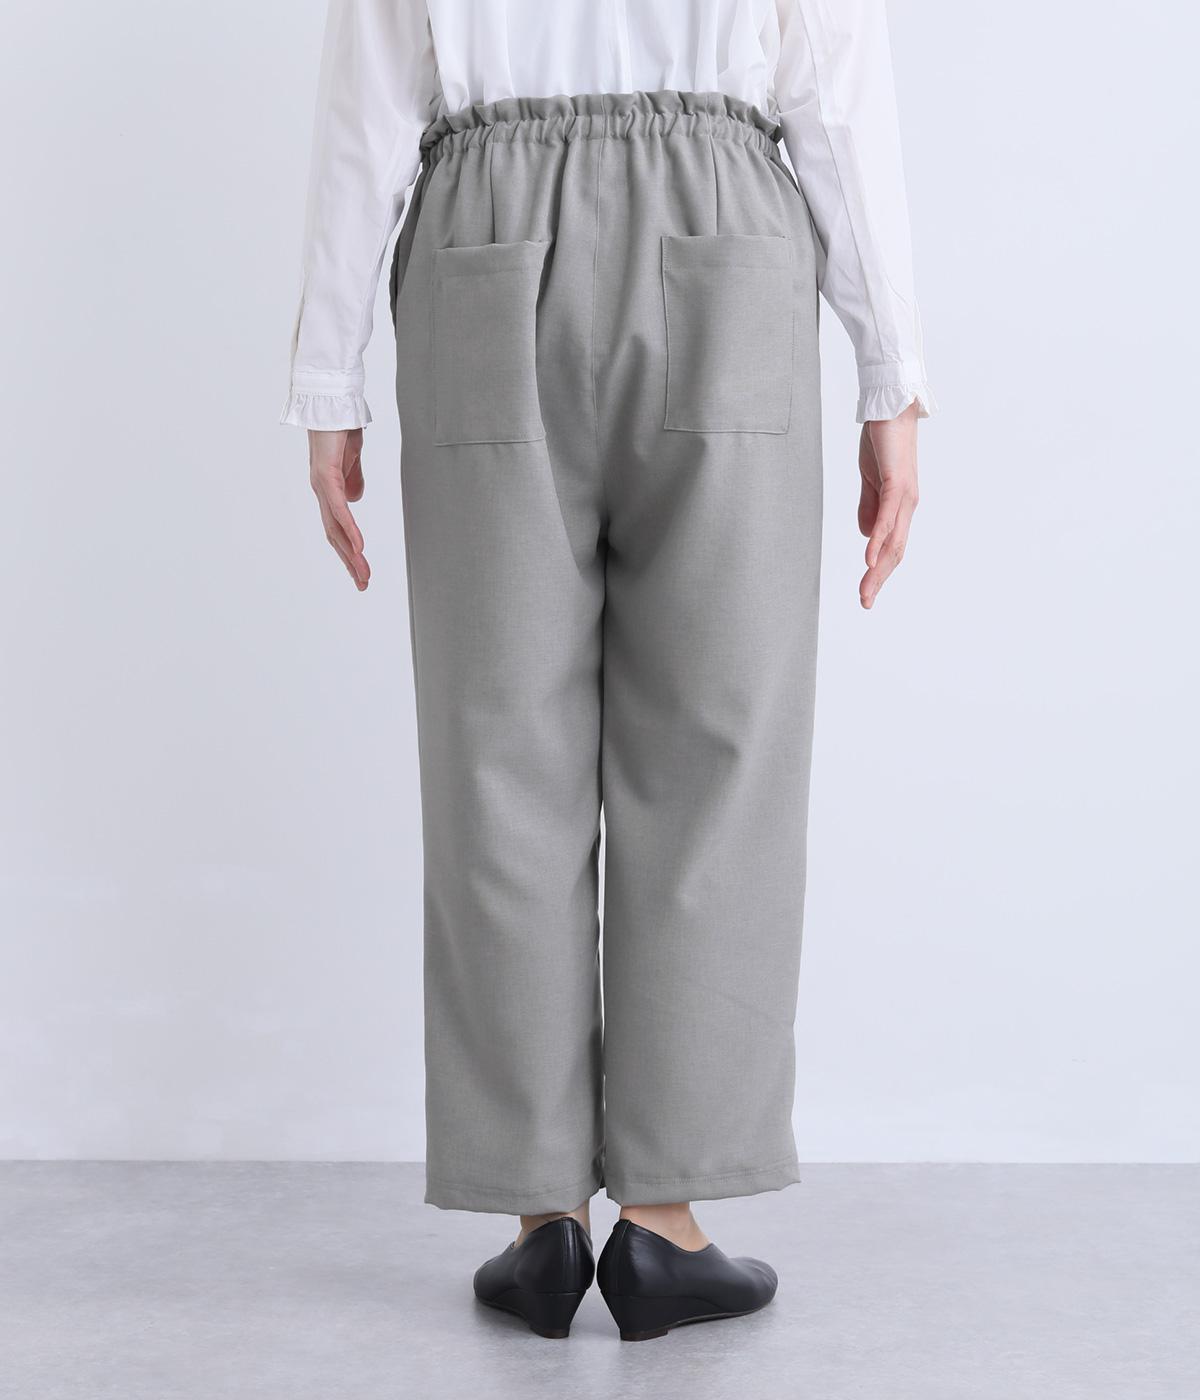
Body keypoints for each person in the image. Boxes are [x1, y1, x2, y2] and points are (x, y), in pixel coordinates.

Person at [281, 0, 933, 1342]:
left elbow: (368, 108)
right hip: (721, 226)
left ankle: (539, 1220)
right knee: (718, 750)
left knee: (495, 749)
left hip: (483, 236)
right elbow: (834, 89)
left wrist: (328, 376)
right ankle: (665, 1221)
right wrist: (893, 375)